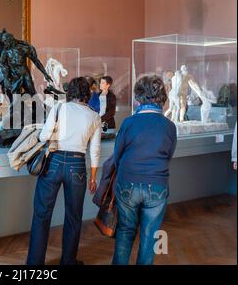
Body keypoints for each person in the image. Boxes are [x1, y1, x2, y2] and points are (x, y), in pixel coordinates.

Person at [27, 77, 102, 265]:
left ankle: (34, 264)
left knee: (42, 215)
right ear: (87, 94)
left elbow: (44, 136)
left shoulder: (60, 108)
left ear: (70, 92)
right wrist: (93, 178)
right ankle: (68, 261)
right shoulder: (94, 116)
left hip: (53, 161)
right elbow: (95, 150)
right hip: (77, 166)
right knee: (74, 217)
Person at [112, 75, 177, 265]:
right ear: (162, 98)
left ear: (138, 98)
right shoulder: (170, 126)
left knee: (125, 231)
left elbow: (117, 155)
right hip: (157, 185)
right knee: (150, 236)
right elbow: (169, 155)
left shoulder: (129, 123)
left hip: (127, 183)